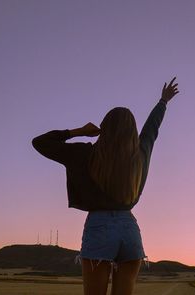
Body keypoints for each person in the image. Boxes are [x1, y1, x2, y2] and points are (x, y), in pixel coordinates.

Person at [32, 77, 179, 295]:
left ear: (104, 128)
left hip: (99, 227)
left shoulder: (84, 154)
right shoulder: (140, 155)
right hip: (129, 230)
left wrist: (78, 131)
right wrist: (163, 102)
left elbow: (40, 142)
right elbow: (151, 130)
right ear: (132, 131)